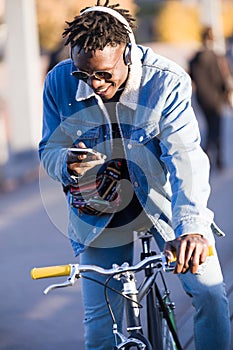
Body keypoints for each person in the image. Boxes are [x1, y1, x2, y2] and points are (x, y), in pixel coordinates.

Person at [39, 2, 231, 350]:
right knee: (99, 334)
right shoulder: (59, 82)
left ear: (126, 53)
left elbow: (185, 156)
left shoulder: (166, 81)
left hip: (165, 204)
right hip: (101, 213)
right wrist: (66, 160)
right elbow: (48, 149)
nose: (94, 83)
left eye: (103, 74)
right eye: (84, 74)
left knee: (210, 294)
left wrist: (191, 227)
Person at [189, 26, 232, 170]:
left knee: (210, 128)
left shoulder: (194, 58)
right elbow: (221, 79)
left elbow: (191, 79)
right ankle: (215, 158)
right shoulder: (216, 57)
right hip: (216, 98)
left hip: (202, 99)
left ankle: (207, 157)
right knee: (216, 130)